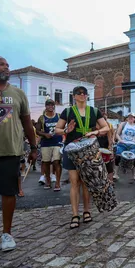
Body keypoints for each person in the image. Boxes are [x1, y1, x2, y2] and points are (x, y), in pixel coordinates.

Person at [0, 56, 37, 251]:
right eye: (1, 64)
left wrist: (34, 147)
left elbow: (27, 122)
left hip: (11, 151)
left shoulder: (18, 93)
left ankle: (7, 233)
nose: (7, 67)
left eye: (8, 65)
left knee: (9, 192)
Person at [55, 86, 109, 229]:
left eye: (85, 93)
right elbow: (57, 129)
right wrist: (66, 130)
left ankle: (86, 211)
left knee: (86, 182)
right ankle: (74, 214)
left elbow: (106, 128)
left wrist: (96, 132)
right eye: (79, 93)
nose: (82, 95)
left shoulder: (94, 111)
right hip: (72, 149)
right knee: (74, 182)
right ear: (74, 96)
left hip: (89, 149)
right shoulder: (67, 111)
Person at [36, 99, 62, 191]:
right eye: (48, 105)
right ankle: (48, 180)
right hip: (46, 143)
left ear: (54, 106)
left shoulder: (59, 116)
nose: (50, 106)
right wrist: (45, 134)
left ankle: (58, 183)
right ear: (45, 106)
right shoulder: (41, 118)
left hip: (57, 142)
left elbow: (63, 128)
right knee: (46, 163)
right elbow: (37, 131)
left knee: (56, 161)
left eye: (52, 105)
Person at [114, 113, 135, 182]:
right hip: (122, 143)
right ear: (127, 118)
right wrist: (120, 140)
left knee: (133, 159)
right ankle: (115, 174)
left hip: (132, 145)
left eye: (132, 117)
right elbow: (117, 134)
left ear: (134, 118)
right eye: (129, 117)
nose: (131, 118)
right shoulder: (123, 124)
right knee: (118, 157)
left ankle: (134, 174)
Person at [96, 112, 115, 183]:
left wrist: (111, 151)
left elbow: (110, 142)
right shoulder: (93, 128)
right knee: (98, 168)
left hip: (106, 149)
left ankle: (110, 183)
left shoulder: (108, 127)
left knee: (109, 167)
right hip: (96, 151)